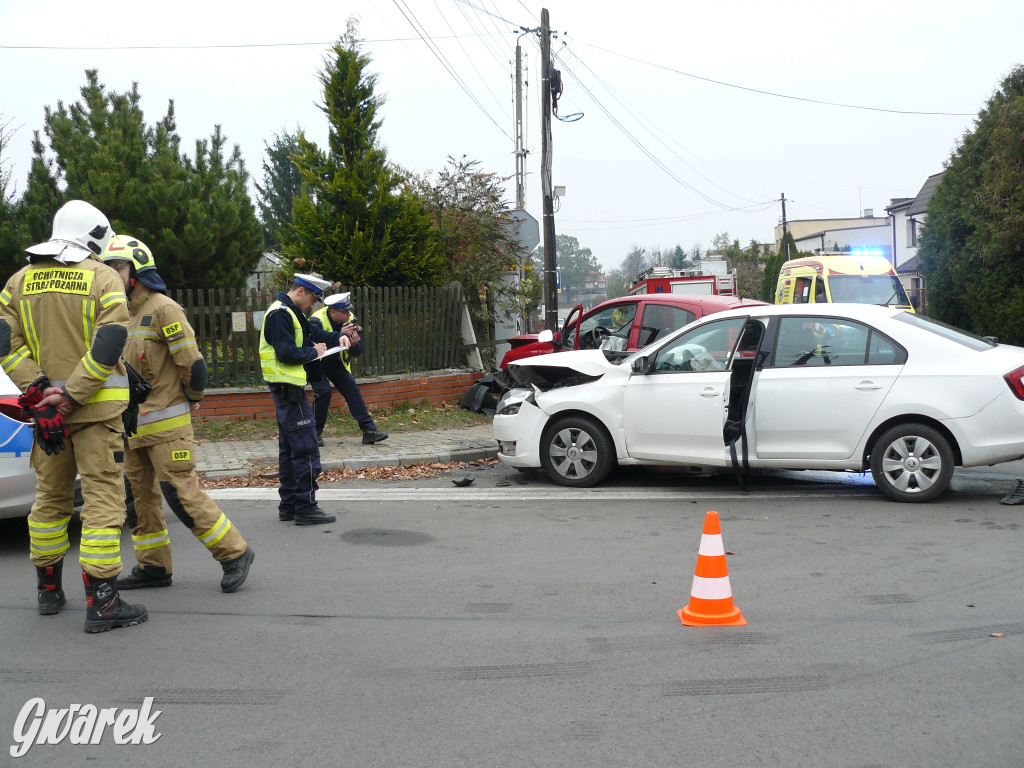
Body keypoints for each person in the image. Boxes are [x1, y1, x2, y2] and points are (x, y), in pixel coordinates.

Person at [0, 200, 147, 633]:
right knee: (103, 500)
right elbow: (111, 342)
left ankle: (48, 591)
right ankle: (103, 603)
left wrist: (41, 392)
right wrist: (72, 395)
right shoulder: (102, 277)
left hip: (45, 415)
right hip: (95, 412)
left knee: (49, 499)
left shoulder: (18, 281)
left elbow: (6, 345)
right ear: (96, 235)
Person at [100, 234, 255, 593]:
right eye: (107, 268)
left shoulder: (163, 308)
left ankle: (235, 553)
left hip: (168, 429)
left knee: (181, 495)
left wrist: (194, 396)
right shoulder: (118, 315)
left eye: (118, 267)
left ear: (137, 271)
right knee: (140, 503)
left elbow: (194, 365)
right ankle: (154, 568)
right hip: (133, 429)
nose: (111, 274)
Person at [259, 273, 345, 525]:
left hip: (287, 389)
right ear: (301, 292)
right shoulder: (281, 314)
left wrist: (336, 337)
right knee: (306, 448)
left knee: (289, 449)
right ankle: (306, 507)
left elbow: (309, 336)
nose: (313, 306)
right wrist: (312, 352)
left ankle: (289, 505)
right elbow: (287, 352)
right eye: (312, 299)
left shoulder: (288, 311)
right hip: (289, 389)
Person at [309, 292, 388, 447]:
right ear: (332, 312)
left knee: (352, 388)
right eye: (343, 312)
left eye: (348, 311)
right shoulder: (316, 320)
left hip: (335, 362)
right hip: (316, 361)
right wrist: (339, 335)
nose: (348, 315)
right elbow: (316, 339)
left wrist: (354, 344)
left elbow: (357, 352)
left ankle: (369, 431)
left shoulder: (351, 319)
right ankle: (314, 433)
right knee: (323, 392)